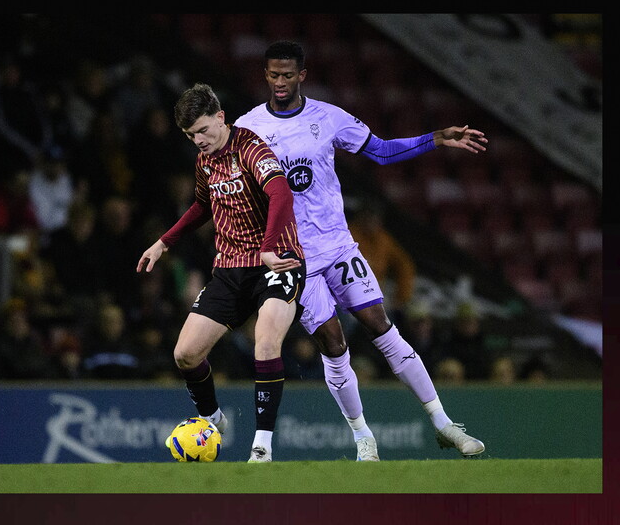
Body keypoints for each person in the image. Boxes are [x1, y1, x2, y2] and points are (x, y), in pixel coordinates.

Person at [234, 40, 488, 460]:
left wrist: (437, 138)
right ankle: (363, 438)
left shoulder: (328, 117)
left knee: (381, 325)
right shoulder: (247, 128)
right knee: (334, 346)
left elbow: (381, 151)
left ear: (302, 75)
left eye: (288, 75)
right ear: (265, 75)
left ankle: (444, 423)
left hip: (338, 246)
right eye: (273, 75)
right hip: (295, 261)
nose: (280, 83)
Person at [137, 83, 305, 462]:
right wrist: (164, 242)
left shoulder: (251, 148)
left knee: (265, 342)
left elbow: (281, 193)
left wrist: (268, 246)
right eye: (190, 135)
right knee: (185, 354)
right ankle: (213, 418)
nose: (199, 140)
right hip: (230, 268)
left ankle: (262, 445)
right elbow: (202, 205)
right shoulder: (205, 161)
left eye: (202, 130)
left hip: (276, 261)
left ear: (220, 118)